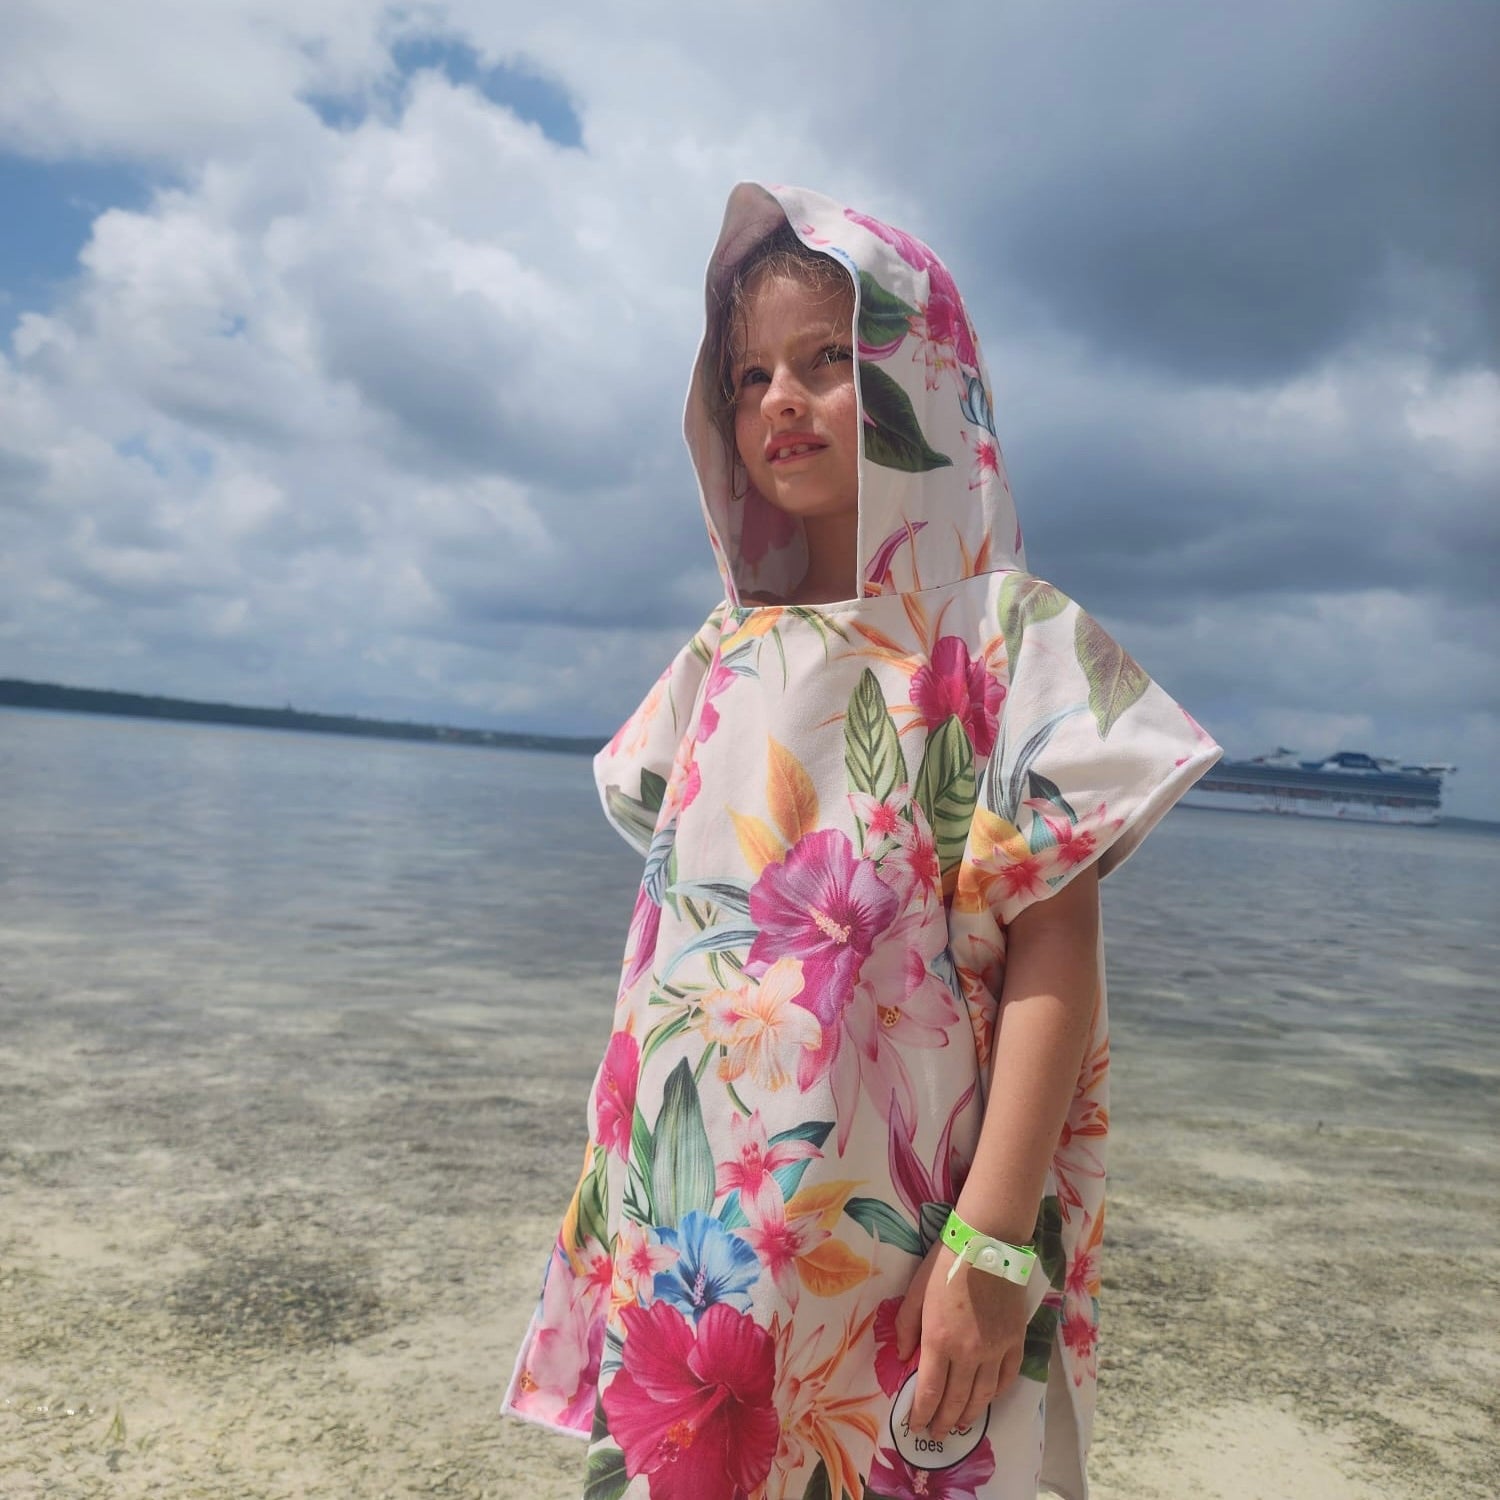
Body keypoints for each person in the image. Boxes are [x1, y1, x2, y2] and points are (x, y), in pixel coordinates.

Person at [503, 183, 1221, 1500]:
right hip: (703, 1238)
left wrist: (991, 1243)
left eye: (828, 358)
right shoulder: (723, 656)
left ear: (925, 376)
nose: (779, 398)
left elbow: (1056, 958)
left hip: (906, 1225)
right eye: (748, 375)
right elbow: (671, 990)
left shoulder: (1003, 642)